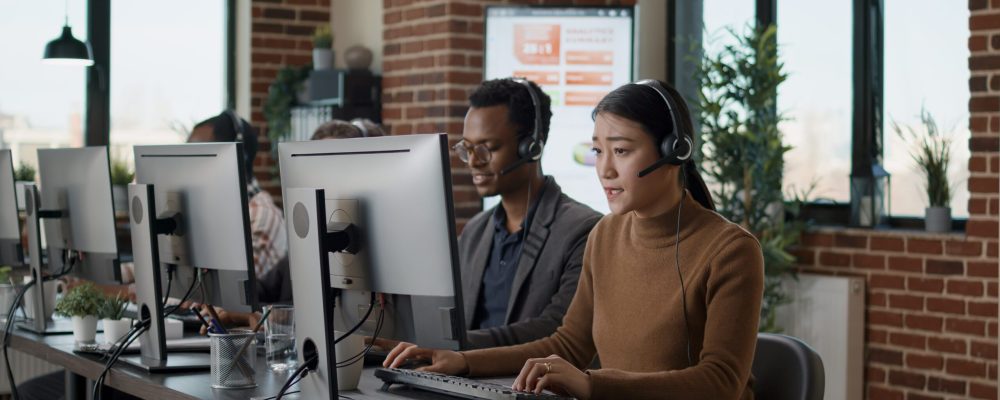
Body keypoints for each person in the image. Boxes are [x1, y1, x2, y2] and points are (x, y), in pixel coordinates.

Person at [382, 80, 765, 400]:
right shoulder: (607, 235)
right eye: (599, 151)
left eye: (621, 151)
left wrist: (591, 384)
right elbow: (568, 344)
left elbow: (721, 382)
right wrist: (464, 361)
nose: (606, 169)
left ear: (673, 151)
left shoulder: (731, 251)